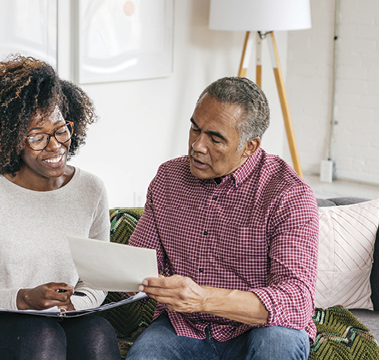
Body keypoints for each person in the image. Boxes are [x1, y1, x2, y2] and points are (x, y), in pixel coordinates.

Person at [0, 55, 121, 360]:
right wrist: (23, 300)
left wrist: (73, 305)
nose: (55, 146)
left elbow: (95, 281)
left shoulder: (91, 190)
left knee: (97, 332)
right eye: (36, 136)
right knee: (39, 336)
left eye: (61, 130)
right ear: (10, 139)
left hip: (50, 323)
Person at [125, 77, 319, 360]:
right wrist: (113, 274)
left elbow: (296, 301)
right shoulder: (168, 178)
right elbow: (139, 263)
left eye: (215, 138)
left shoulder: (288, 194)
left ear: (250, 146)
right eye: (195, 129)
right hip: (184, 325)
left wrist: (202, 298)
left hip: (261, 328)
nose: (198, 146)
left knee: (278, 345)